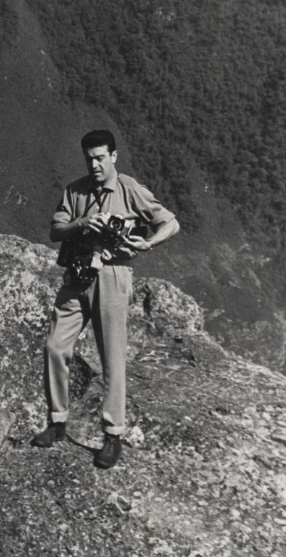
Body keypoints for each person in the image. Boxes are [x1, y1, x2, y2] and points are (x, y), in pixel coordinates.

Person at [31, 129, 180, 468]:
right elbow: (55, 231)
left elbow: (170, 222)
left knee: (112, 357)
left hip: (113, 275)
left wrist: (149, 243)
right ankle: (57, 423)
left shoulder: (130, 189)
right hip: (78, 274)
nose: (95, 164)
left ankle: (113, 436)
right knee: (55, 346)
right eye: (90, 158)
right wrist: (83, 222)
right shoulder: (75, 191)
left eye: (100, 157)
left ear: (113, 157)